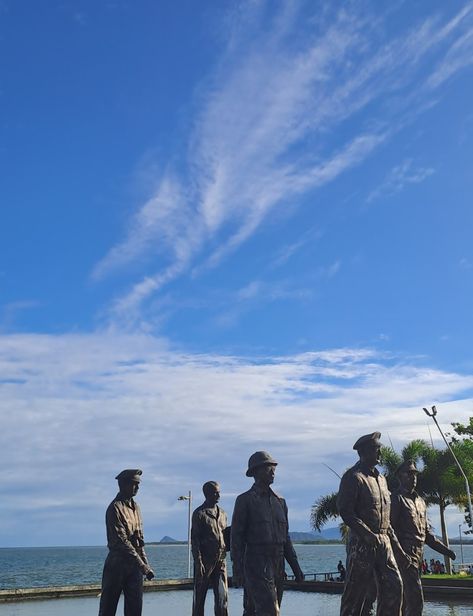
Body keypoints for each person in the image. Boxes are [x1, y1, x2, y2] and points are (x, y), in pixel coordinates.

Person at [337, 432, 407, 616]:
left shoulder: (382, 480)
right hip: (362, 543)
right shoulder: (353, 477)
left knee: (394, 586)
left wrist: (396, 547)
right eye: (377, 449)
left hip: (384, 541)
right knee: (356, 595)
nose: (380, 454)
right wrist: (366, 533)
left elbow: (386, 518)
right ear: (365, 451)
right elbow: (346, 511)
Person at [231, 451, 304, 616]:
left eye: (273, 468)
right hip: (256, 562)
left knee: (253, 610)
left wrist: (295, 567)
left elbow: (286, 538)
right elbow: (236, 537)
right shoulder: (245, 500)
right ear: (256, 472)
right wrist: (238, 570)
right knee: (270, 611)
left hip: (278, 563)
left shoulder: (281, 502)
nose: (273, 472)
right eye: (268, 468)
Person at [391, 460, 456, 615]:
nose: (413, 477)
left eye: (415, 474)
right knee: (415, 600)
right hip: (404, 554)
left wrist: (446, 551)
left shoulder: (420, 502)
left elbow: (427, 535)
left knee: (407, 600)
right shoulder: (397, 499)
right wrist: (400, 554)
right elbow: (389, 529)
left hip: (419, 554)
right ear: (400, 476)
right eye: (409, 473)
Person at [98, 469, 154, 616]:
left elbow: (139, 540)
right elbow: (122, 542)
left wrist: (145, 564)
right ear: (122, 484)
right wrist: (142, 566)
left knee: (135, 609)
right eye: (134, 484)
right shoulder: (114, 508)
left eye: (138, 484)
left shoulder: (136, 508)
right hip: (117, 565)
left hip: (134, 566)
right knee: (108, 609)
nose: (137, 487)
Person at [191, 481, 228, 616]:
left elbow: (225, 536)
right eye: (215, 492)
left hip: (221, 560)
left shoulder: (223, 513)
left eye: (219, 492)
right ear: (207, 494)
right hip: (204, 561)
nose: (218, 495)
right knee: (199, 599)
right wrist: (198, 562)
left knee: (222, 597)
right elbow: (195, 541)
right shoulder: (199, 514)